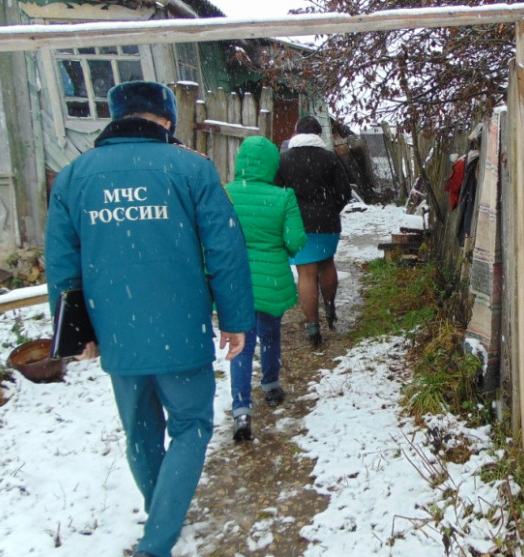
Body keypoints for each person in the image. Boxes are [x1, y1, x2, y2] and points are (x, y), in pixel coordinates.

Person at [45, 81, 254, 557]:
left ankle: (162, 514)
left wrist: (78, 332)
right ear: (166, 119)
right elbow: (225, 248)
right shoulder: (191, 168)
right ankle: (157, 541)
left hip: (117, 330)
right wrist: (236, 318)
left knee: (140, 432)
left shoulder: (75, 176)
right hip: (180, 325)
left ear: (116, 118)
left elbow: (62, 263)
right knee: (191, 425)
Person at [225, 135, 307, 441]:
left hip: (234, 281)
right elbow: (296, 240)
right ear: (273, 164)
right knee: (270, 331)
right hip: (270, 279)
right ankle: (271, 383)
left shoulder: (226, 194)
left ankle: (241, 410)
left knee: (240, 343)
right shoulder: (283, 197)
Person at [275, 116, 352, 347]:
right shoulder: (330, 159)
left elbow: (278, 194)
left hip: (298, 225)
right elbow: (344, 192)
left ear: (296, 133)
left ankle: (312, 328)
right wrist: (330, 209)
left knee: (306, 273)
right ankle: (329, 307)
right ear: (319, 134)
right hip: (327, 223)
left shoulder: (284, 160)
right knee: (327, 264)